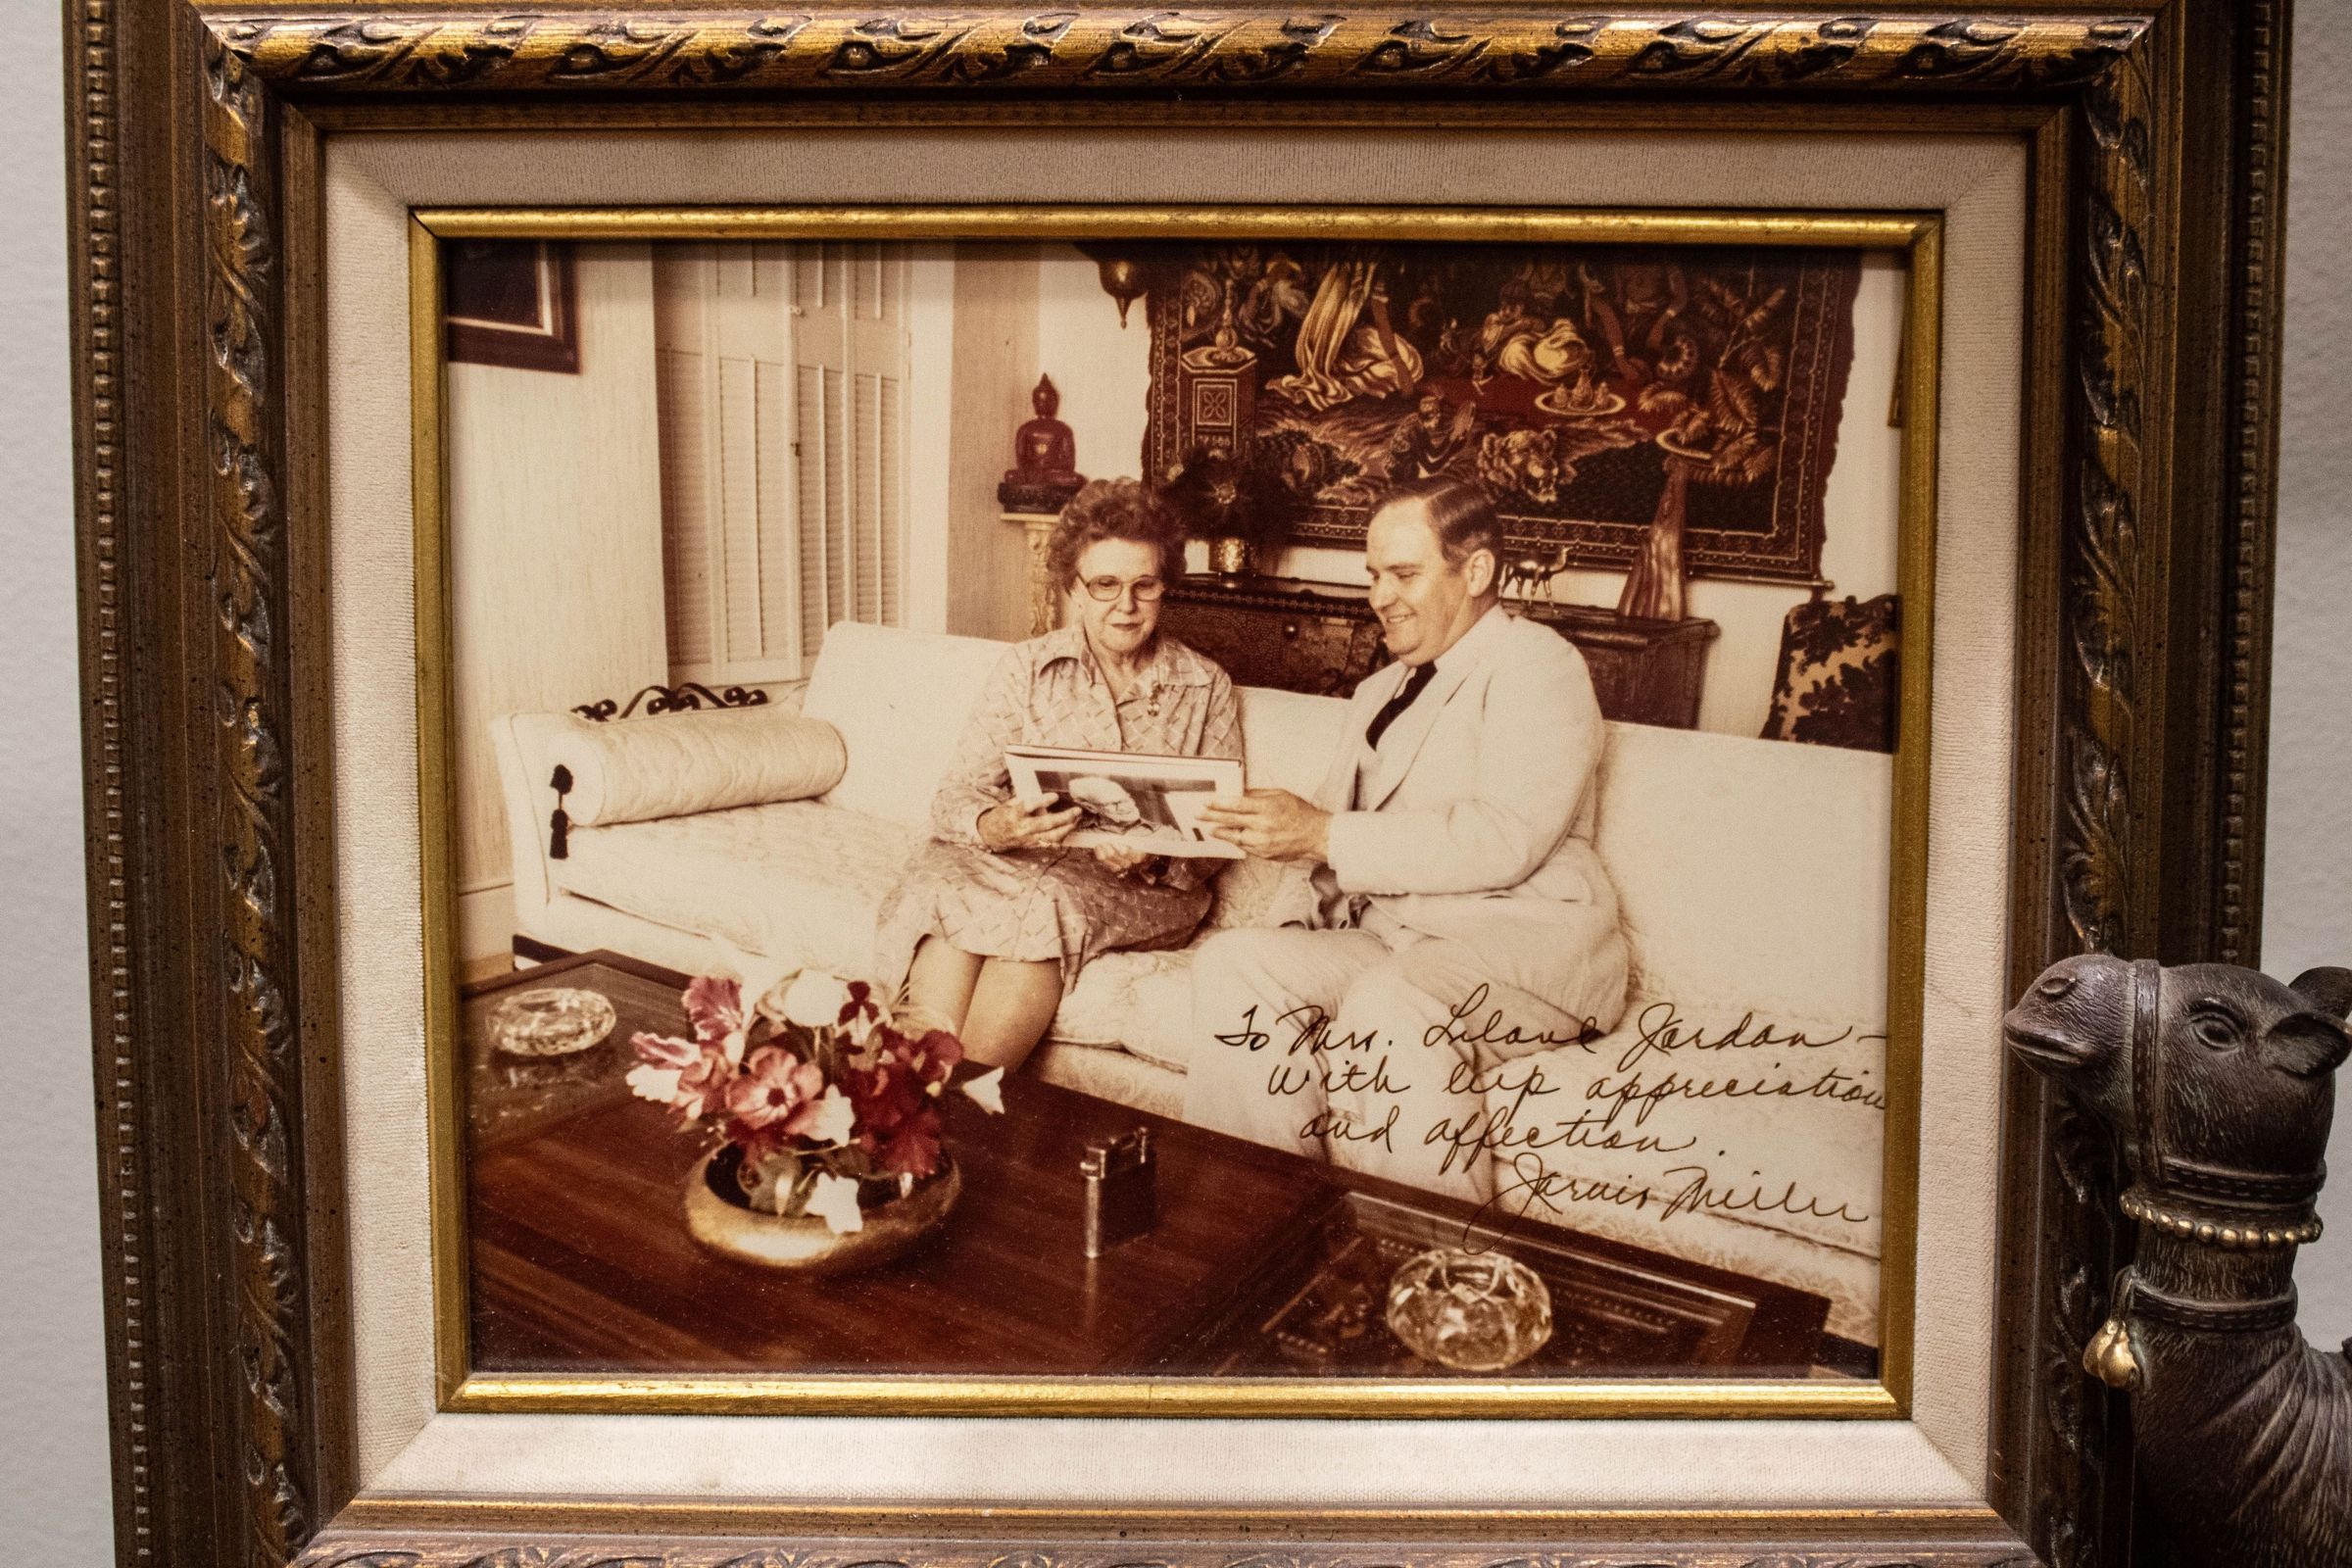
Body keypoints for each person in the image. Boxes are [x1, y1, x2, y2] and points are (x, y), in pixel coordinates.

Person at [1184, 477, 1630, 1203]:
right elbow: (1322, 843)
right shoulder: (1378, 691)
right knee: (1238, 964)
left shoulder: (1538, 666)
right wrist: (1294, 918)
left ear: (1475, 572)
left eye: (1403, 574)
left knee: (1392, 999)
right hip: (1393, 943)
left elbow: (1504, 836)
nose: (1380, 597)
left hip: (1521, 950)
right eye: (1373, 576)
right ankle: (1257, 1223)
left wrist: (1322, 831)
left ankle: (1429, 1259)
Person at [873, 479, 1243, 1069]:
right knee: (950, 895)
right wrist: (995, 824)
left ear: (1165, 585)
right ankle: (909, 1100)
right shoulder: (1026, 666)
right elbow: (956, 793)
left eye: (1144, 585)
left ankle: (967, 1102)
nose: (1126, 605)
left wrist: (1153, 854)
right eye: (1105, 585)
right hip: (1009, 860)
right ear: (1074, 587)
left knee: (1045, 903)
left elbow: (1222, 833)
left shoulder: (1205, 685)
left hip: (1136, 887)